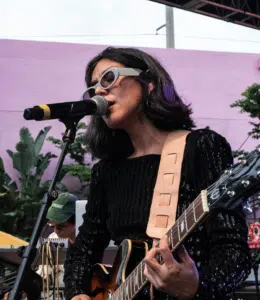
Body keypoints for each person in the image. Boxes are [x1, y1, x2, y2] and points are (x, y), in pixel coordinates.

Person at [63, 47, 252, 300]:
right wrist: (76, 293)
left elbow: (235, 256)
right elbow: (84, 248)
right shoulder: (107, 171)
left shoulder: (201, 148)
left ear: (149, 83)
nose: (98, 91)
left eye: (108, 78)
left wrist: (197, 286)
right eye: (93, 87)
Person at [37, 192, 77, 287]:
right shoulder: (52, 239)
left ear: (76, 220)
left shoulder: (90, 241)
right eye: (52, 226)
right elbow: (43, 273)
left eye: (60, 227)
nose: (55, 231)